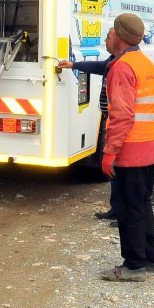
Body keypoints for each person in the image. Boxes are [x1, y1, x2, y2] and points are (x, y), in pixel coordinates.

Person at [98, 14, 154, 282]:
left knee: (128, 207)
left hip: (132, 149)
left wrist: (109, 151)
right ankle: (152, 255)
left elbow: (122, 115)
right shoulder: (144, 63)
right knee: (142, 204)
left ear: (120, 36)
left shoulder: (122, 68)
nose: (107, 37)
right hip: (151, 146)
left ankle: (134, 265)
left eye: (110, 33)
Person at [58, 54, 119, 224]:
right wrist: (73, 64)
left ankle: (124, 215)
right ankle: (116, 210)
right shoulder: (113, 60)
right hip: (111, 119)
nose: (106, 40)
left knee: (121, 173)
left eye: (109, 37)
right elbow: (98, 67)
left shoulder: (123, 63)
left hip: (119, 123)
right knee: (116, 173)